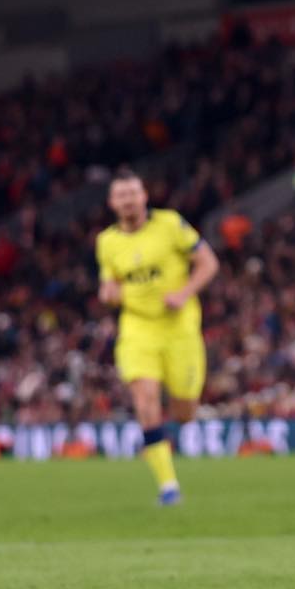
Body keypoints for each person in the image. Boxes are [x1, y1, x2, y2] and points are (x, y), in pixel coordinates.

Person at [95, 168, 219, 505]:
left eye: (133, 193)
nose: (128, 201)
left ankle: (167, 444)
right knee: (145, 401)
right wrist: (108, 293)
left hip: (180, 329)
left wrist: (184, 293)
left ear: (144, 196)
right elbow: (110, 283)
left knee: (184, 412)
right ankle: (168, 487)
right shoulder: (107, 242)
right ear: (112, 202)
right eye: (121, 195)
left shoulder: (170, 225)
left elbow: (208, 262)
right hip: (137, 329)